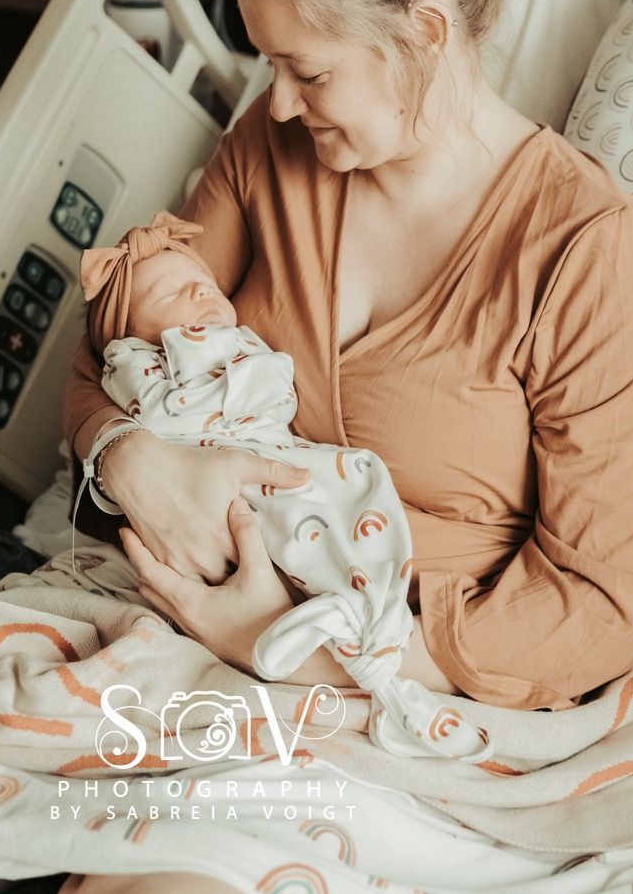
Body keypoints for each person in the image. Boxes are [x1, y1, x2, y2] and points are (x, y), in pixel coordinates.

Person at [59, 0, 633, 894]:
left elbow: (593, 607)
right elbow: (120, 343)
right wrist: (130, 454)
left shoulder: (582, 250)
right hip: (194, 632)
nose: (277, 103)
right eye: (266, 67)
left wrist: (328, 646)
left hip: (399, 688)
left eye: (307, 70)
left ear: (425, 37)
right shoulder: (270, 153)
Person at [76, 212, 490, 761]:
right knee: (292, 519)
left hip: (282, 457)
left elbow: (274, 394)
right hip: (227, 471)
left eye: (202, 282)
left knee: (345, 494)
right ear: (125, 335)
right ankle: (347, 628)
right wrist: (127, 453)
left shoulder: (230, 342)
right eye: (170, 291)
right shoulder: (138, 362)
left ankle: (364, 635)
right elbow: (140, 397)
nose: (201, 287)